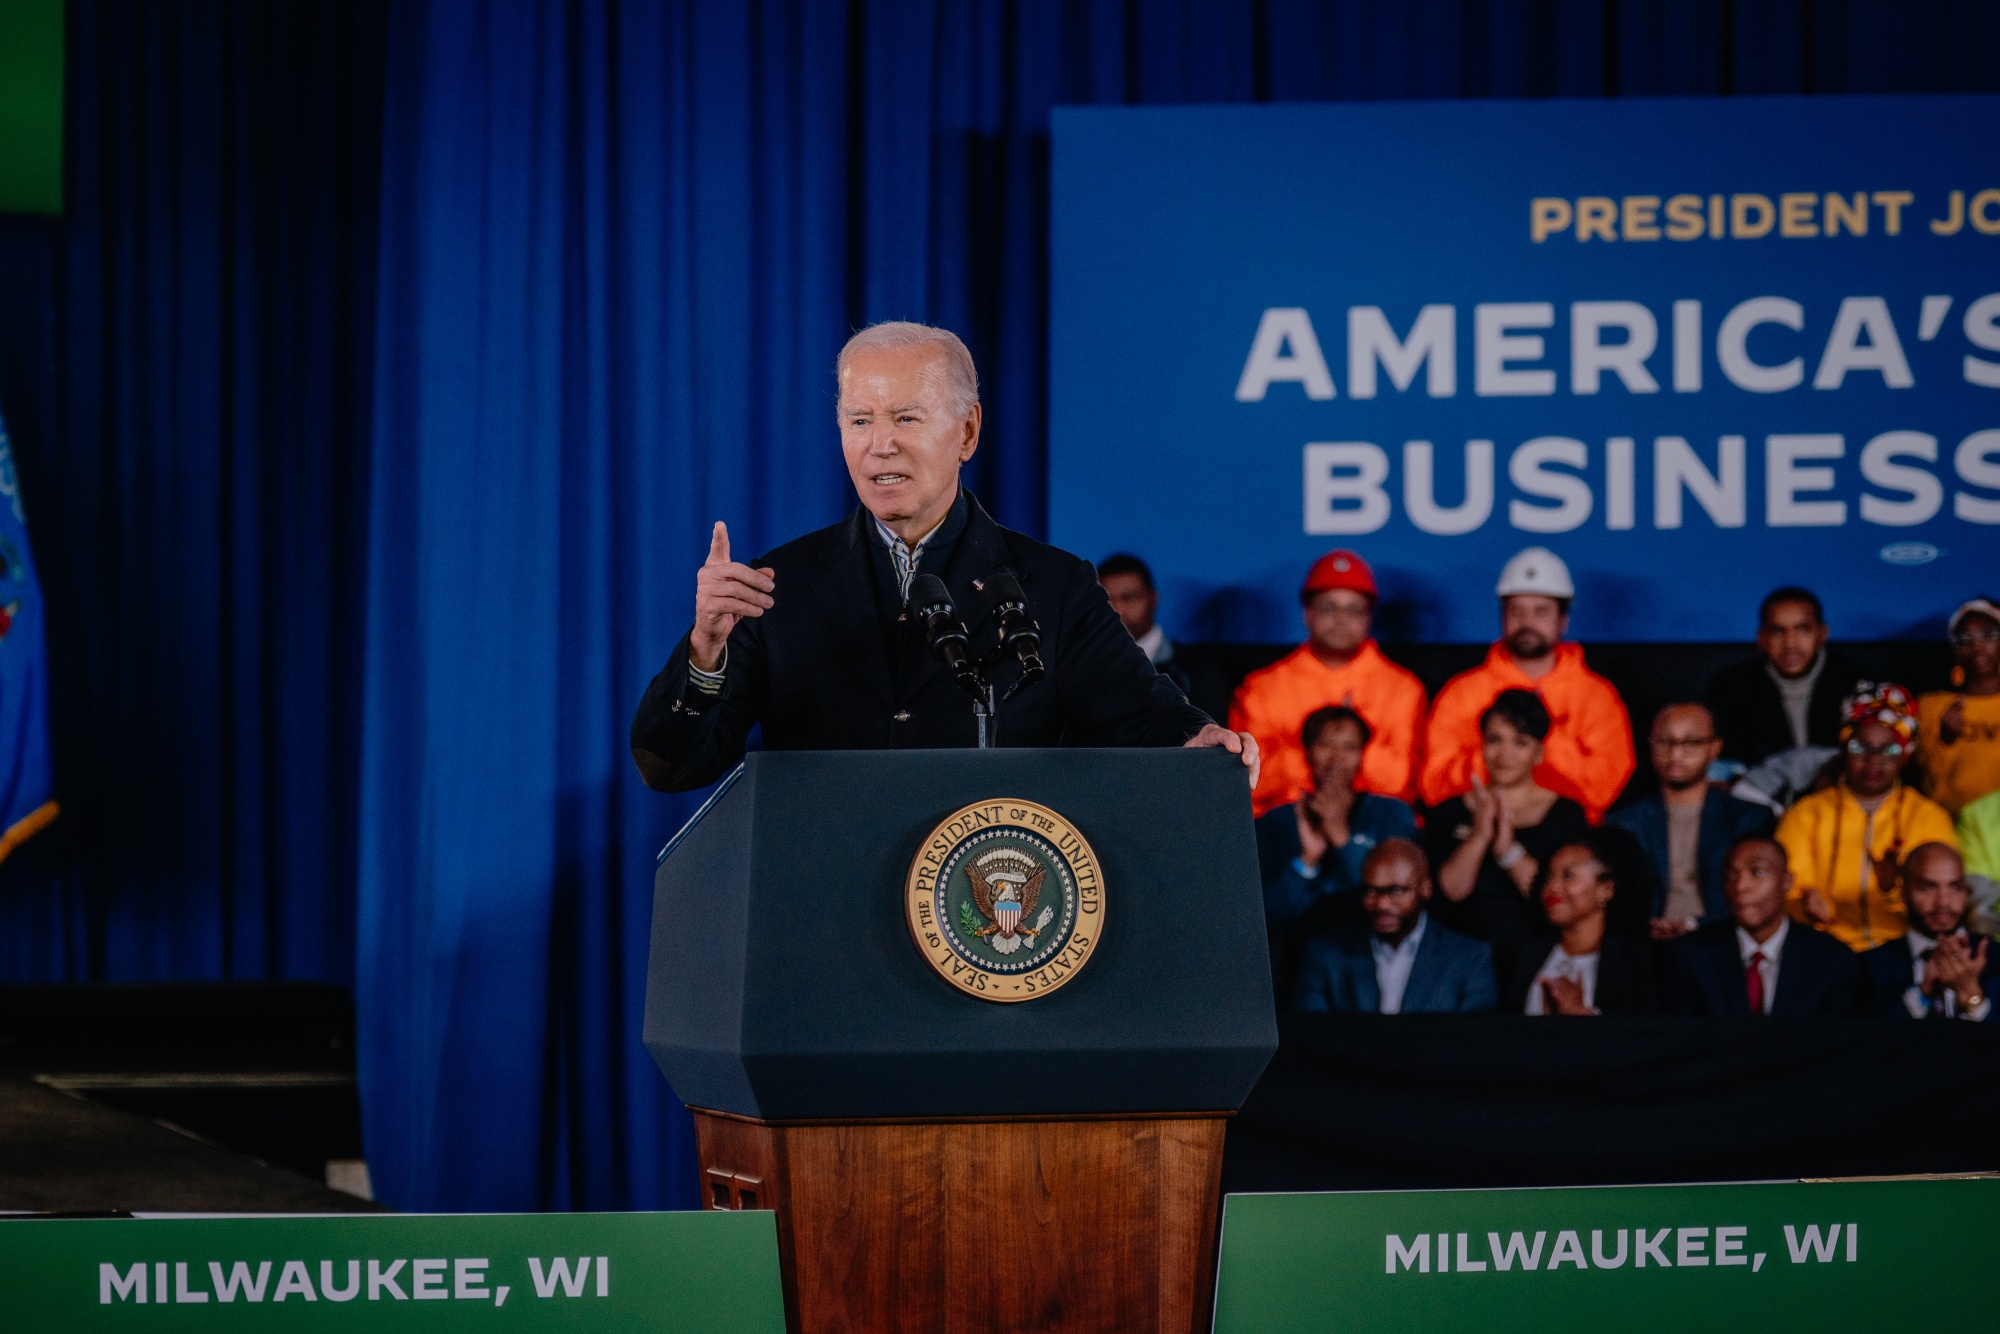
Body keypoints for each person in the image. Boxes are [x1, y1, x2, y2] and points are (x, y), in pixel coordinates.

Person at [628, 322, 1257, 791]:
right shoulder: (777, 586)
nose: (880, 447)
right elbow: (674, 766)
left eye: (906, 418)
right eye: (859, 421)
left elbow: (1145, 718)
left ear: (968, 431)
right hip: (823, 921)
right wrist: (705, 652)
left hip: (994, 927)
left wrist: (1198, 742)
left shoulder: (1053, 587)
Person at [1420, 547, 1634, 822]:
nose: (1527, 622)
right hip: (1477, 825)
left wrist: (1542, 739)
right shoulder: (1462, 692)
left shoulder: (1596, 695)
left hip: (1568, 835)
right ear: (1502, 617)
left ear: (1563, 621)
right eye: (1517, 611)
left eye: (1541, 611)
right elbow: (1435, 786)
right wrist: (1502, 751)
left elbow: (1604, 788)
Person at [1229, 549, 1427, 817]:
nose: (1341, 619)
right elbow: (1250, 778)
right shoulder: (1261, 687)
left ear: (1369, 617)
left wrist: (1299, 757)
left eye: (1353, 609)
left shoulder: (1403, 688)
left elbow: (1402, 781)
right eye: (1328, 607)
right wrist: (1351, 754)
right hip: (1282, 821)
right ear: (1306, 613)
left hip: (1373, 821)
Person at [1775, 684, 1958, 952]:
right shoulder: (1806, 814)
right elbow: (1784, 889)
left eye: (1889, 750)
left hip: (1903, 952)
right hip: (1824, 950)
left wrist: (1892, 890)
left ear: (1905, 755)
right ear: (1844, 748)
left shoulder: (1928, 817)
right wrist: (1803, 906)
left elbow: (1945, 904)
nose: (1874, 760)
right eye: (1862, 748)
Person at [1425, 689, 1592, 951]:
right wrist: (1479, 837)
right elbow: (1449, 893)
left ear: (1539, 753)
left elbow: (1560, 899)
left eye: (1520, 743)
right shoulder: (1447, 812)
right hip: (1459, 951)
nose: (1505, 754)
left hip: (1536, 949)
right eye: (1495, 740)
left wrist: (1508, 851)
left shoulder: (1566, 815)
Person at [1608, 703, 1773, 939]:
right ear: (1651, 745)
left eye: (1691, 743)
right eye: (1665, 741)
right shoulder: (1623, 822)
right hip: (1645, 945)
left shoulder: (1746, 819)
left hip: (1722, 943)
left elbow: (1757, 898)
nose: (1676, 754)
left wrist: (1694, 925)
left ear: (1715, 748)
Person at [1255, 705, 1419, 936]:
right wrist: (1308, 861)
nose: (1337, 757)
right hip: (1299, 950)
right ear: (1307, 751)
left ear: (1363, 753)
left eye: (1350, 747)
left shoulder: (1392, 813)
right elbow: (1266, 915)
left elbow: (1397, 901)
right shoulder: (1277, 820)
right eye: (1325, 745)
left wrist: (1341, 836)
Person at [1292, 839, 1497, 1014]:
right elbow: (1310, 1037)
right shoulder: (1324, 954)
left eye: (1396, 891)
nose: (1382, 904)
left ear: (1425, 888)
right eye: (1371, 891)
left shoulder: (1470, 958)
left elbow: (1473, 1044)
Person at [1665, 837, 1863, 1016]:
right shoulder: (1693, 954)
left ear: (1786, 882)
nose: (1740, 886)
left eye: (1757, 872)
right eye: (1731, 876)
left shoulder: (1831, 959)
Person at [1705, 587, 1868, 768]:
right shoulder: (1730, 689)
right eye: (1778, 631)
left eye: (1802, 629)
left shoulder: (1858, 684)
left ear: (1822, 633)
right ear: (1762, 638)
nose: (1790, 643)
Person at [1502, 831, 1655, 1015]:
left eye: (1568, 876)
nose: (1552, 888)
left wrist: (1581, 1015)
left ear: (1606, 889)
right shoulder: (1523, 954)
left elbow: (1645, 1037)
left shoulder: (1639, 963)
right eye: (1549, 877)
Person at [1861, 843, 1998, 1020]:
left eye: (1955, 887)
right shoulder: (1873, 966)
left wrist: (1971, 997)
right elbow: (1869, 1040)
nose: (1943, 902)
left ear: (1966, 893)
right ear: (1903, 893)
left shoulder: (1995, 959)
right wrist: (1921, 996)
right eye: (1927, 887)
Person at [1915, 597, 2000, 816]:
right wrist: (1945, 740)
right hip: (1949, 824)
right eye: (1965, 639)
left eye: (1988, 634)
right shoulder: (1930, 706)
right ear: (1955, 649)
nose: (1977, 645)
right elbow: (1926, 782)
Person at [1097, 553, 1193, 700]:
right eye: (1107, 601)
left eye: (1129, 598)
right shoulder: (1079, 670)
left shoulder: (1193, 674)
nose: (1117, 610)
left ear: (1153, 600)